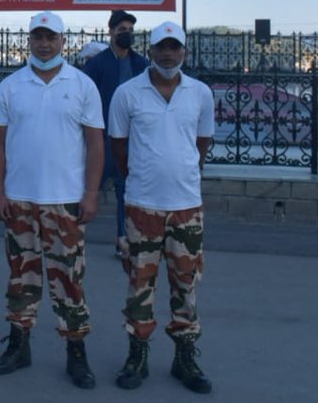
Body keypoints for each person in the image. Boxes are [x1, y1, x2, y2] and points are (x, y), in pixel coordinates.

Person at [0, 12, 105, 387]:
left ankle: (76, 353)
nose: (43, 44)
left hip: (65, 201)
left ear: (62, 42)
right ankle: (19, 346)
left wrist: (89, 194)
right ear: (29, 41)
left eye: (50, 38)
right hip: (20, 199)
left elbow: (95, 142)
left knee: (69, 279)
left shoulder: (82, 85)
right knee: (21, 278)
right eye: (37, 37)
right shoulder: (10, 86)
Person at [108, 21, 215, 394]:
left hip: (187, 205)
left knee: (186, 282)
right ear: (150, 50)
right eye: (161, 47)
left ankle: (185, 357)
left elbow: (202, 143)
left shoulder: (200, 94)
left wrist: (181, 172)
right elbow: (119, 149)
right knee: (140, 282)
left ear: (184, 52)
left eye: (175, 47)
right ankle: (137, 355)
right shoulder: (127, 93)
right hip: (142, 206)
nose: (168, 54)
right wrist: (143, 177)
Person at [83, 10, 149, 259]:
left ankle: (124, 240)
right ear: (111, 32)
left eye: (131, 31)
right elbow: (85, 97)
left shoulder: (140, 64)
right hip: (101, 139)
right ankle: (72, 238)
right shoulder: (98, 64)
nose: (127, 35)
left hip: (130, 140)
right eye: (122, 30)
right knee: (89, 188)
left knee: (126, 192)